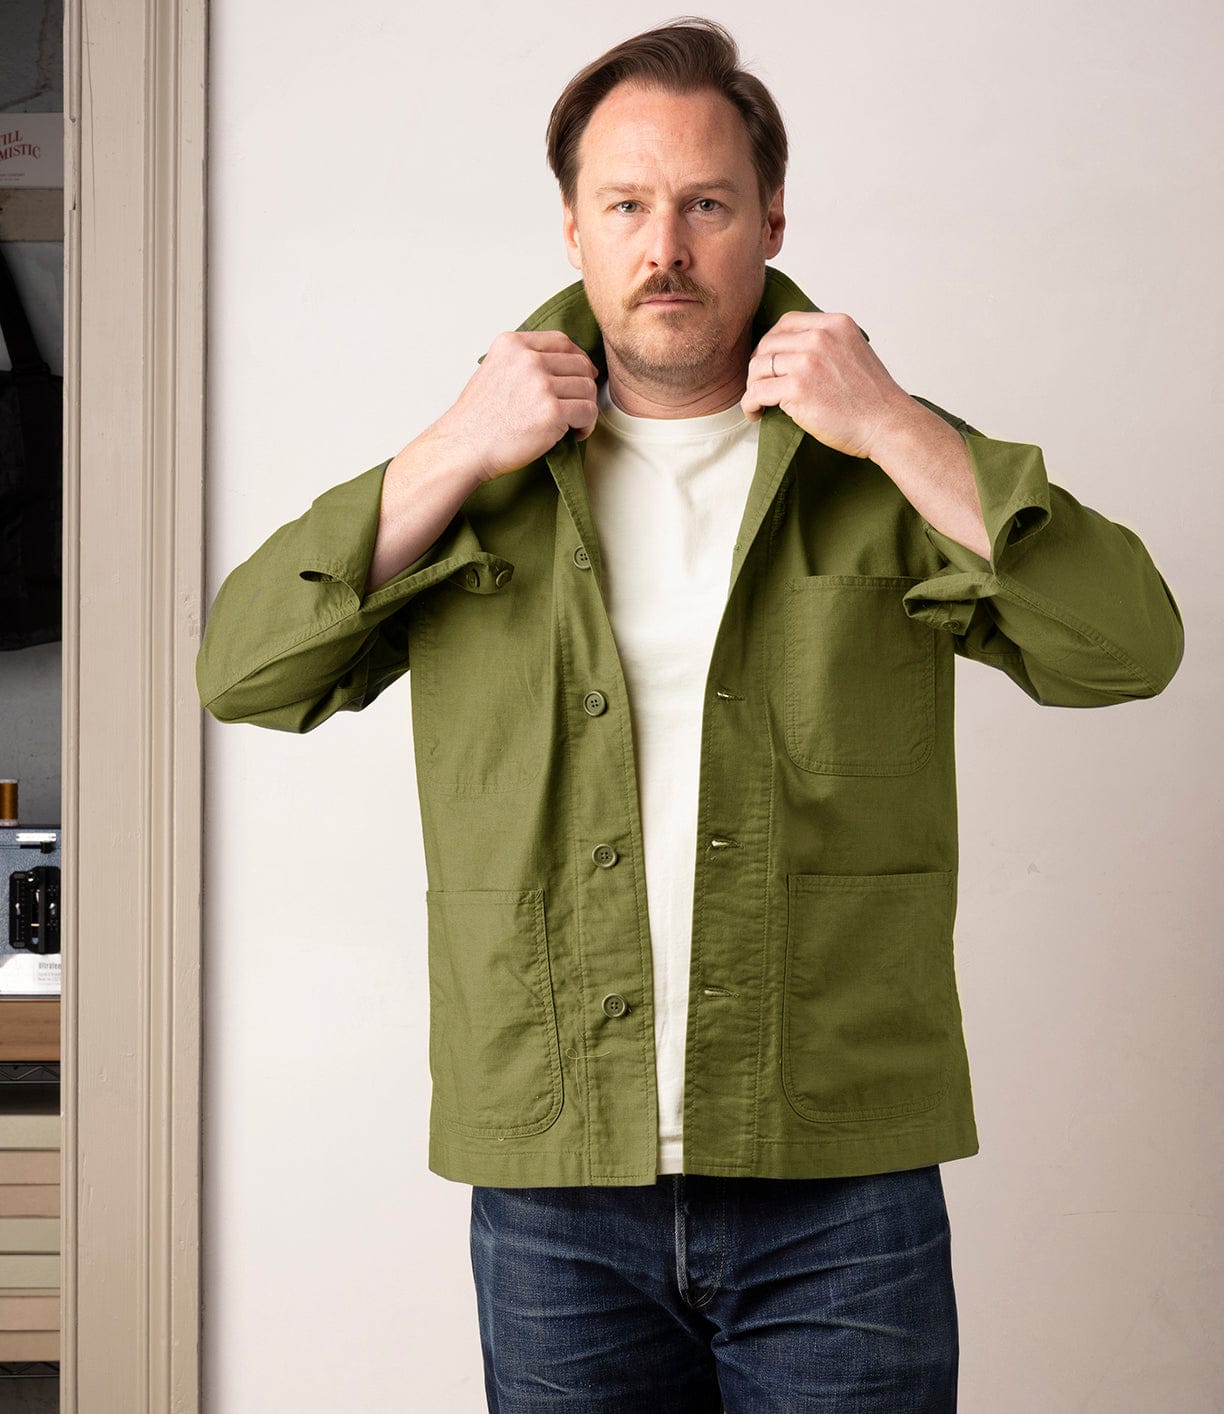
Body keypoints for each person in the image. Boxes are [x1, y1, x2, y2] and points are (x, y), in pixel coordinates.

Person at [196, 17, 1184, 1412]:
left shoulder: (876, 465)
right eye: (628, 205)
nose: (667, 245)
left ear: (771, 217)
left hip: (840, 1172)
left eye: (708, 204)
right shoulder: (480, 470)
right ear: (573, 227)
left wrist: (896, 424)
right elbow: (244, 668)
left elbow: (1128, 644)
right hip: (556, 1186)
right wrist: (449, 447)